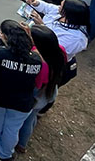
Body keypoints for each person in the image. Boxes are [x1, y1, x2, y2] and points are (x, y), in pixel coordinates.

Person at [0, 20, 42, 161]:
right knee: (12, 128)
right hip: (22, 103)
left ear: (5, 37)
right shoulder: (36, 59)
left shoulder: (2, 54)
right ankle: (5, 154)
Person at [15, 25, 67, 154]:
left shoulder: (39, 62)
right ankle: (23, 143)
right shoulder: (59, 50)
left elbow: (35, 86)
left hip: (37, 96)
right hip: (50, 91)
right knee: (32, 118)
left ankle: (21, 144)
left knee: (26, 120)